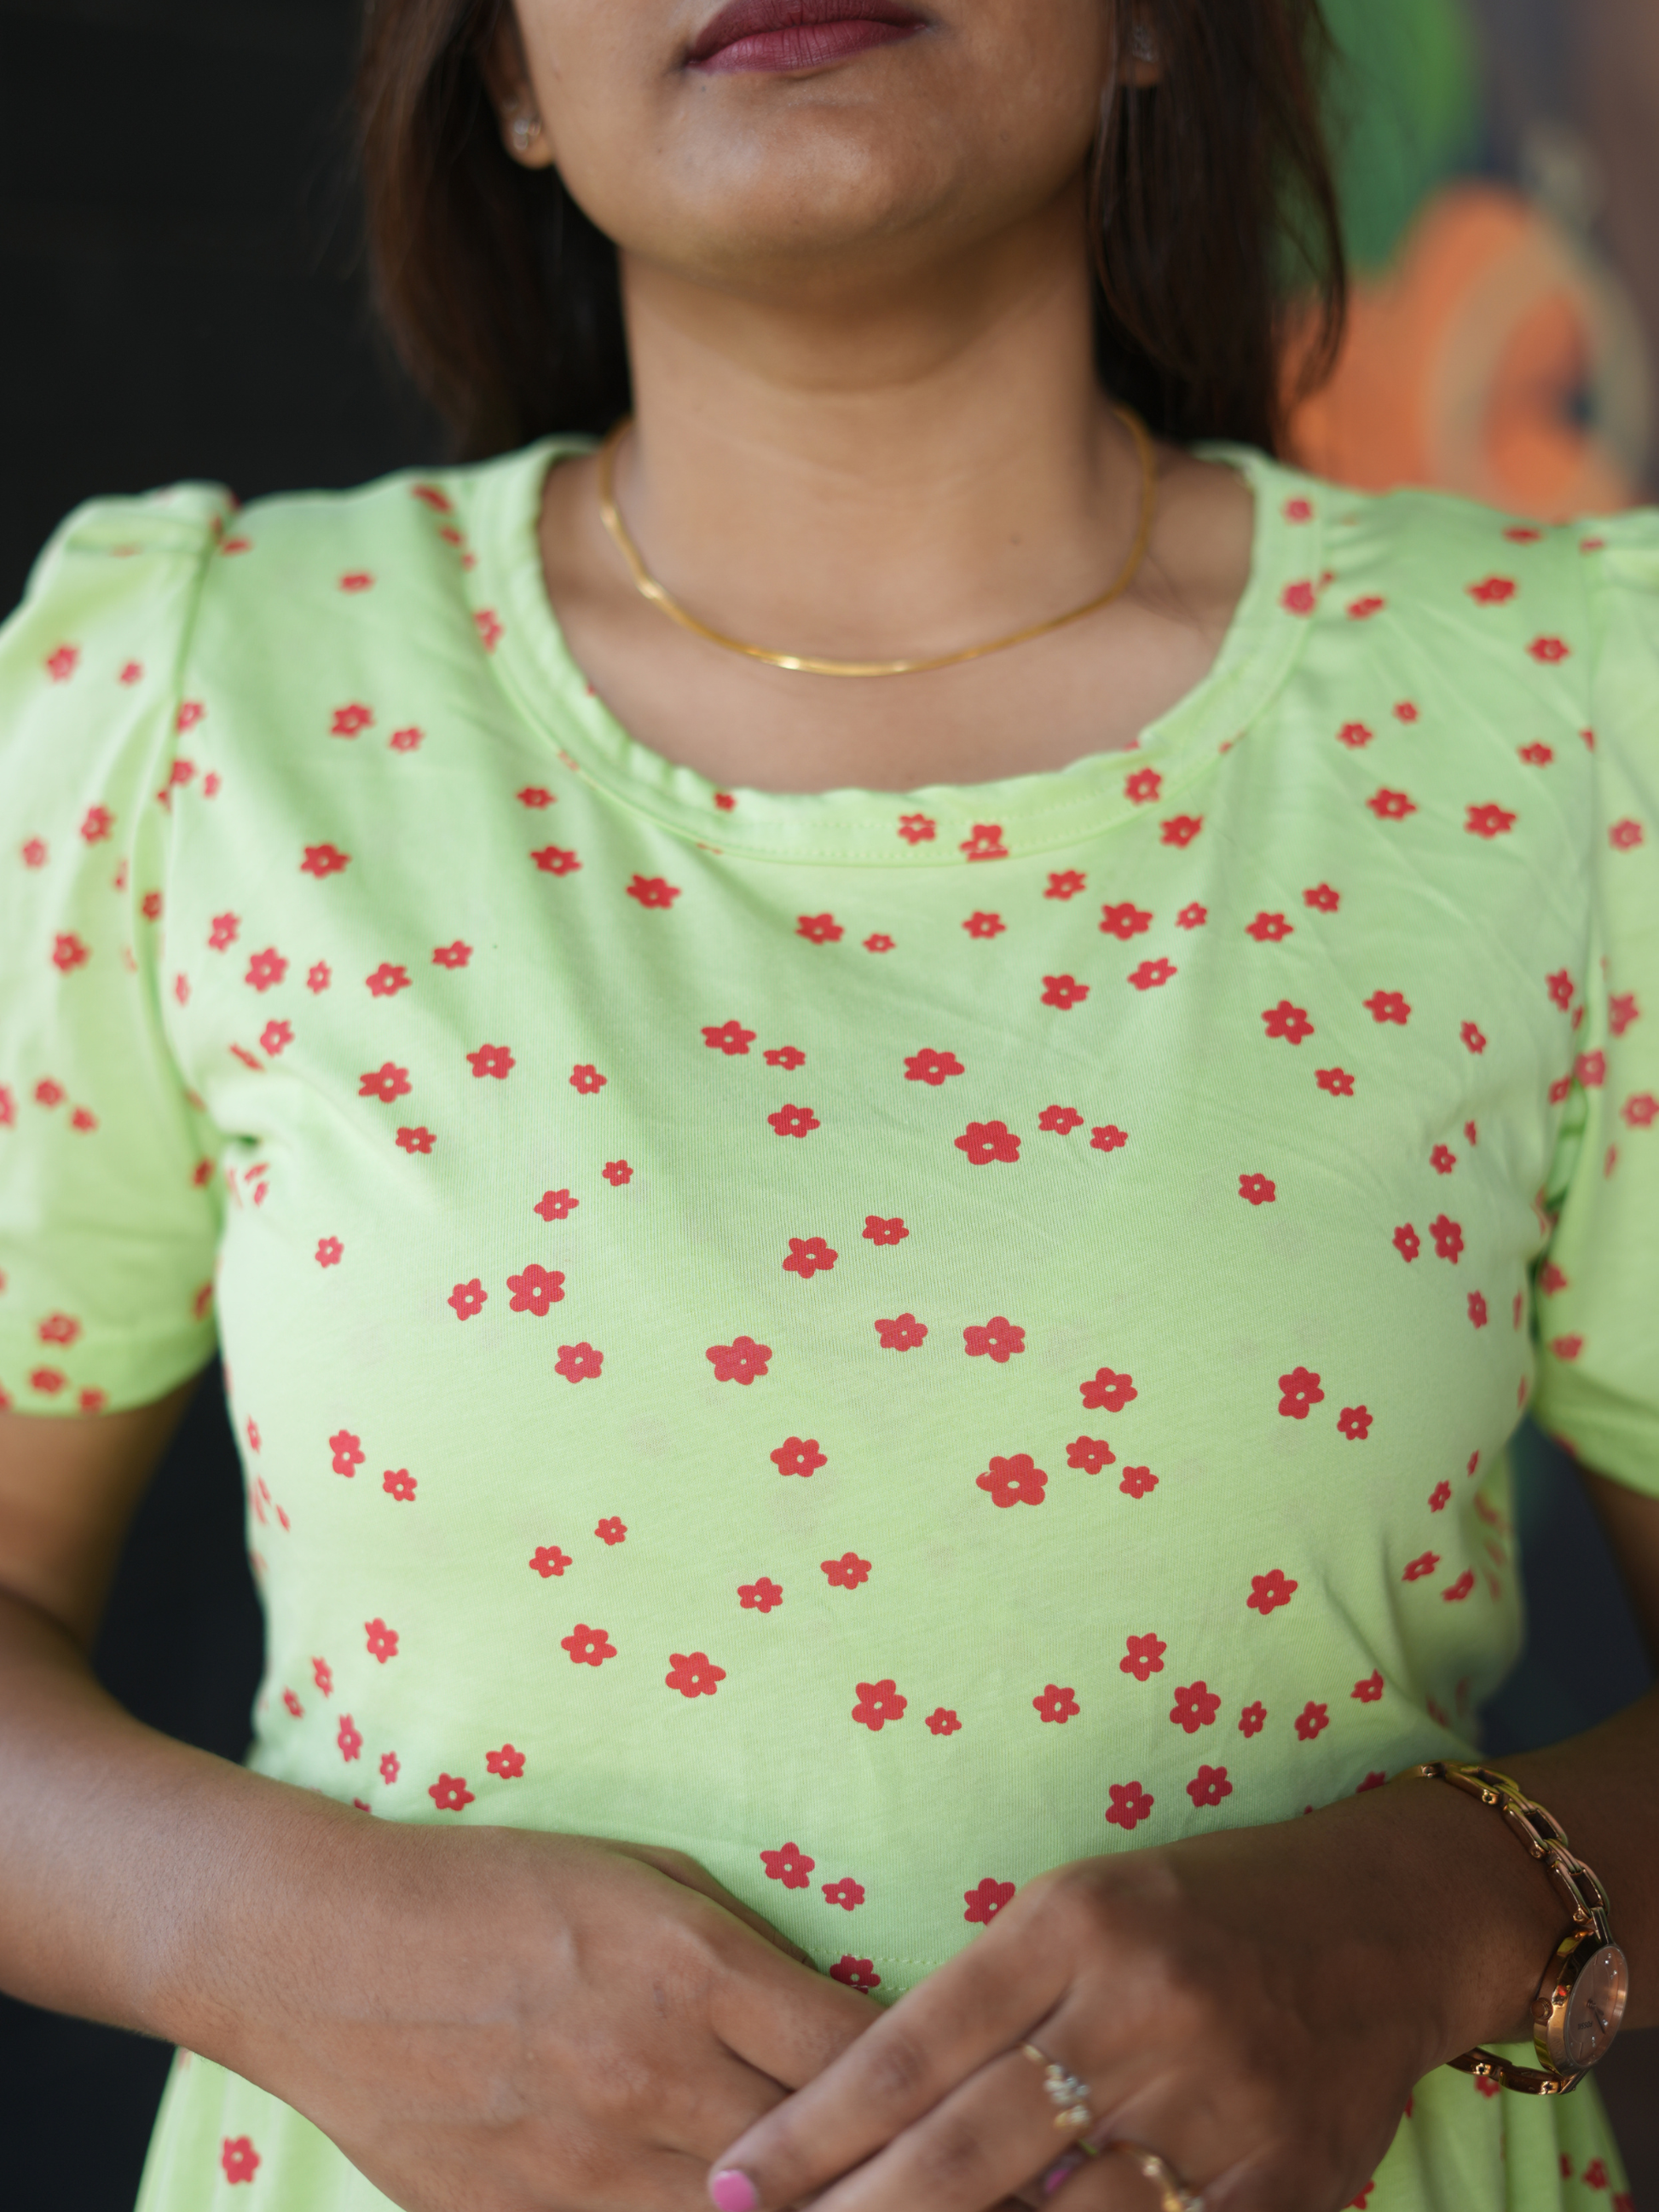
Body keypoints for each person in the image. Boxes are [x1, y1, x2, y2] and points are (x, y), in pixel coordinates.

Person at [0, 3, 1655, 2210]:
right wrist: (298, 1948)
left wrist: (1420, 1917)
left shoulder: (1562, 726)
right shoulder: (204, 702)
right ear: (505, 74)